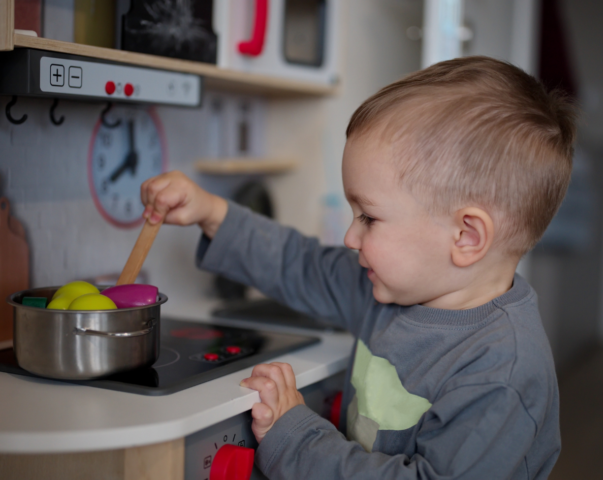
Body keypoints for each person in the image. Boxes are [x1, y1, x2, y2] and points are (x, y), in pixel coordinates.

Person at [141, 56, 577, 480]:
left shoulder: (503, 375)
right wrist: (212, 213)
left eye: (369, 217)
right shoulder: (395, 287)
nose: (351, 237)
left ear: (466, 237)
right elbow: (303, 265)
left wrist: (295, 438)